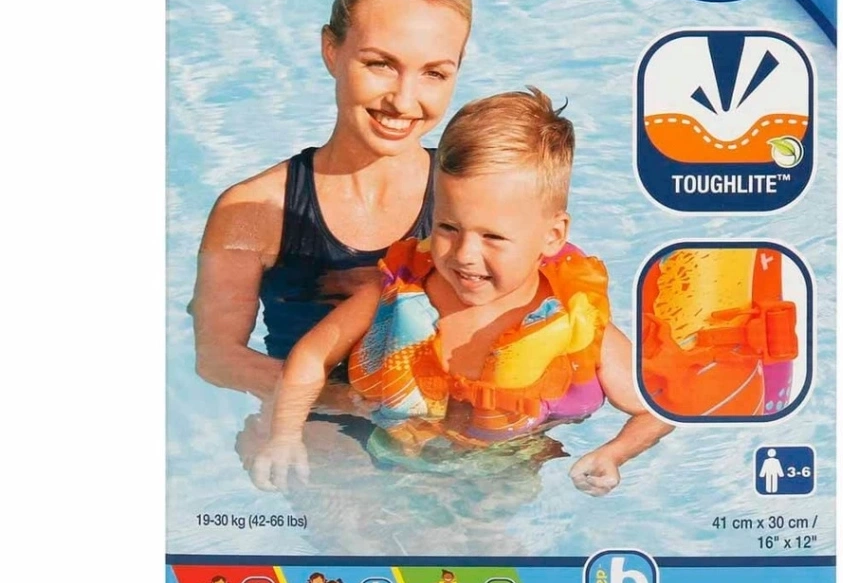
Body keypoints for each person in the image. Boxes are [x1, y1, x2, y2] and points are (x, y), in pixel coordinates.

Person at [251, 88, 673, 497]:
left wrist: (613, 454)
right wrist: (284, 435)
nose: (465, 255)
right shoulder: (396, 292)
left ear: (553, 235)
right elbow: (311, 356)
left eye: (493, 237)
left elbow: (656, 406)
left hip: (504, 474)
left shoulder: (573, 323)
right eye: (448, 227)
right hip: (387, 459)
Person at [190, 0, 473, 401]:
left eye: (434, 73)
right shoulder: (254, 210)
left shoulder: (471, 193)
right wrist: (352, 405)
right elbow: (217, 358)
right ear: (331, 51)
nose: (404, 101)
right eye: (381, 64)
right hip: (316, 433)